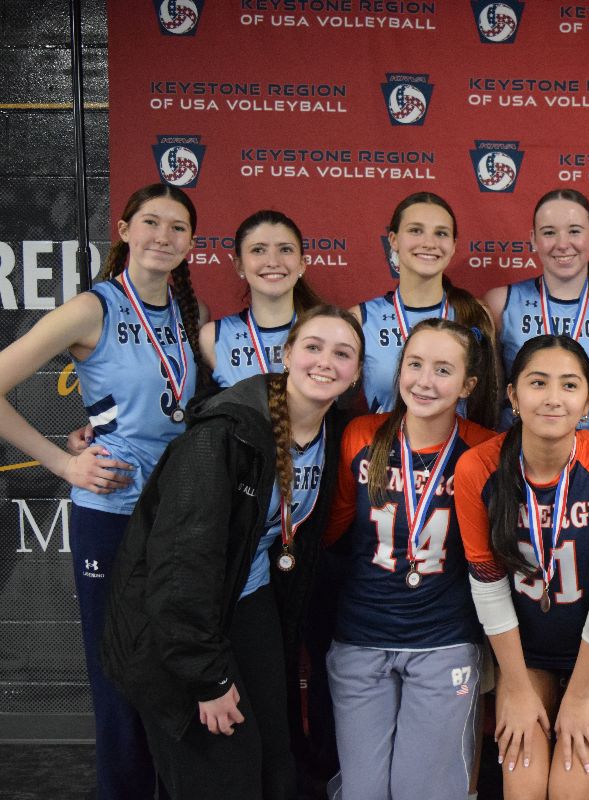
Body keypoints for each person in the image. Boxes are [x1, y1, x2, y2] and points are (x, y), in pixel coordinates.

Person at [100, 305, 363, 800]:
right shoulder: (226, 432)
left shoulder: (336, 434)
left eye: (342, 353)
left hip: (250, 596)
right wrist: (207, 679)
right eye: (313, 347)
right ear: (287, 354)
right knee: (225, 771)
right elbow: (181, 567)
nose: (326, 361)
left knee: (276, 762)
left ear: (356, 373)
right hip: (176, 623)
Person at [0, 183, 203, 799]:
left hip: (175, 514)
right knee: (118, 674)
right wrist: (63, 464)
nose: (163, 236)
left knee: (170, 667)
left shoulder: (186, 311)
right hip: (112, 510)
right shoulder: (94, 307)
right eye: (151, 222)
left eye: (177, 227)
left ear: (192, 243)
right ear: (124, 230)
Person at [454, 335, 589, 800]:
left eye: (569, 385)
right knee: (524, 790)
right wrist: (516, 689)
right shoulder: (478, 467)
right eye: (538, 383)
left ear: (588, 402)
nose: (553, 398)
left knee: (570, 792)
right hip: (524, 650)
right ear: (513, 396)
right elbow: (488, 586)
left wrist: (580, 696)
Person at [322, 319, 498, 799]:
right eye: (414, 364)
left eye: (443, 370)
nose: (424, 381)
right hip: (361, 636)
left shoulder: (486, 448)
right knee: (364, 793)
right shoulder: (362, 435)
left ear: (468, 385)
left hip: (443, 639)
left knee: (422, 791)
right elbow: (331, 532)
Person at [484, 188, 589, 441]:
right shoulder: (500, 303)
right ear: (533, 239)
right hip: (517, 449)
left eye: (574, 231)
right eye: (549, 232)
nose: (562, 244)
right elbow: (491, 392)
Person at [353, 191, 495, 416]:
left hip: (458, 439)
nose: (429, 243)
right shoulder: (361, 318)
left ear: (453, 245)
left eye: (441, 233)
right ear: (393, 240)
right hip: (384, 439)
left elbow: (488, 401)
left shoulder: (476, 313)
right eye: (415, 230)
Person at [199, 209, 322, 387]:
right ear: (239, 266)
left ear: (302, 264)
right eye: (258, 250)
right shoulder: (213, 337)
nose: (273, 262)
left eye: (285, 249)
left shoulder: (327, 331)